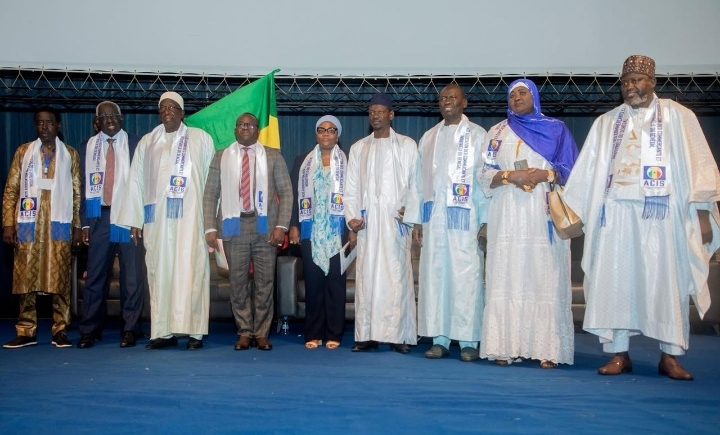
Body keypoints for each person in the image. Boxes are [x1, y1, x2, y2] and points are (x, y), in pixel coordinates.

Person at [562, 55, 720, 380]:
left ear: (652, 82)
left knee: (667, 282)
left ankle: (670, 356)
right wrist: (571, 209)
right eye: (625, 82)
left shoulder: (679, 116)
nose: (630, 87)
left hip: (663, 216)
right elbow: (587, 171)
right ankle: (619, 353)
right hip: (616, 216)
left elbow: (701, 167)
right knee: (616, 282)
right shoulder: (607, 123)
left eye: (636, 80)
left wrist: (703, 214)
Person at [478, 79, 579, 368]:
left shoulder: (556, 129)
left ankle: (547, 349)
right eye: (512, 95)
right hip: (506, 213)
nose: (517, 98)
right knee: (506, 274)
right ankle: (505, 345)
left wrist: (546, 175)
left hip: (541, 213)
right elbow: (483, 173)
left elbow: (574, 170)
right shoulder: (496, 132)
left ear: (534, 96)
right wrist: (510, 176)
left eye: (523, 93)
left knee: (543, 276)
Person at [117, 92, 215, 350]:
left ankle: (195, 332)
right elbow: (136, 181)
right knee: (159, 273)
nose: (167, 111)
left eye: (172, 107)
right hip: (157, 221)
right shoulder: (148, 142)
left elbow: (211, 182)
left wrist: (211, 222)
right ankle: (163, 331)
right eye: (162, 108)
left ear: (182, 113)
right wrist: (135, 219)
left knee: (192, 271)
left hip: (191, 219)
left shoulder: (200, 139)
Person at [404, 84, 489, 362]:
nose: (446, 101)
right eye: (442, 98)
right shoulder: (429, 137)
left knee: (466, 279)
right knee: (436, 279)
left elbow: (485, 181)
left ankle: (468, 341)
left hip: (466, 221)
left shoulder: (478, 135)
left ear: (465, 102)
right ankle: (439, 338)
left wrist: (486, 221)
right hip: (434, 222)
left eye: (452, 97)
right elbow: (418, 182)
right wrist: (417, 220)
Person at [203, 112, 292, 351]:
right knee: (238, 282)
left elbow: (286, 192)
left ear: (257, 130)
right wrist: (210, 227)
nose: (245, 128)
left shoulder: (273, 156)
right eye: (241, 124)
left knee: (265, 282)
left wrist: (281, 226)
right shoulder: (221, 156)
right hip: (233, 227)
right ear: (235, 129)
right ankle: (244, 331)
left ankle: (261, 333)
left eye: (250, 125)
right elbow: (210, 194)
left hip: (265, 227)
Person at [344, 92, 418, 354]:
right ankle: (367, 335)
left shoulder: (406, 145)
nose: (375, 116)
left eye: (380, 111)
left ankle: (398, 335)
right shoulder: (359, 148)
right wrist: (352, 218)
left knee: (396, 277)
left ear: (391, 115)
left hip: (395, 222)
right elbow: (351, 188)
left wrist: (409, 210)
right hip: (368, 225)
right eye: (372, 112)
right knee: (367, 278)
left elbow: (415, 183)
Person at [2, 107, 82, 349]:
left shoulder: (70, 154)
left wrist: (78, 226)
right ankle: (26, 330)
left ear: (58, 125)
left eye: (49, 122)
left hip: (59, 226)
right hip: (28, 225)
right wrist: (8, 223)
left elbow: (77, 194)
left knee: (61, 279)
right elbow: (11, 190)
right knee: (25, 278)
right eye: (40, 123)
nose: (44, 127)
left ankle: (60, 329)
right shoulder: (23, 152)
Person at [77, 101, 146, 348]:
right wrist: (85, 224)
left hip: (129, 218)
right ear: (97, 122)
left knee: (132, 277)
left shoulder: (138, 143)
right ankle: (89, 329)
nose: (109, 119)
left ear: (121, 118)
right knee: (95, 276)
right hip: (99, 218)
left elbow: (145, 183)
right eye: (104, 116)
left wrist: (140, 218)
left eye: (114, 115)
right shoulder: (87, 147)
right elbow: (82, 187)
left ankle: (130, 328)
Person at [288, 115, 348, 350]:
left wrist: (352, 230)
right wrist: (294, 225)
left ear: (337, 135)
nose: (326, 134)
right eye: (321, 129)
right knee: (313, 283)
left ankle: (334, 333)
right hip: (310, 229)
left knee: (335, 283)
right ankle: (313, 333)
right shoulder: (302, 161)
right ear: (316, 134)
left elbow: (355, 195)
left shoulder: (348, 160)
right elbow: (293, 196)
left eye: (331, 130)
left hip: (337, 230)